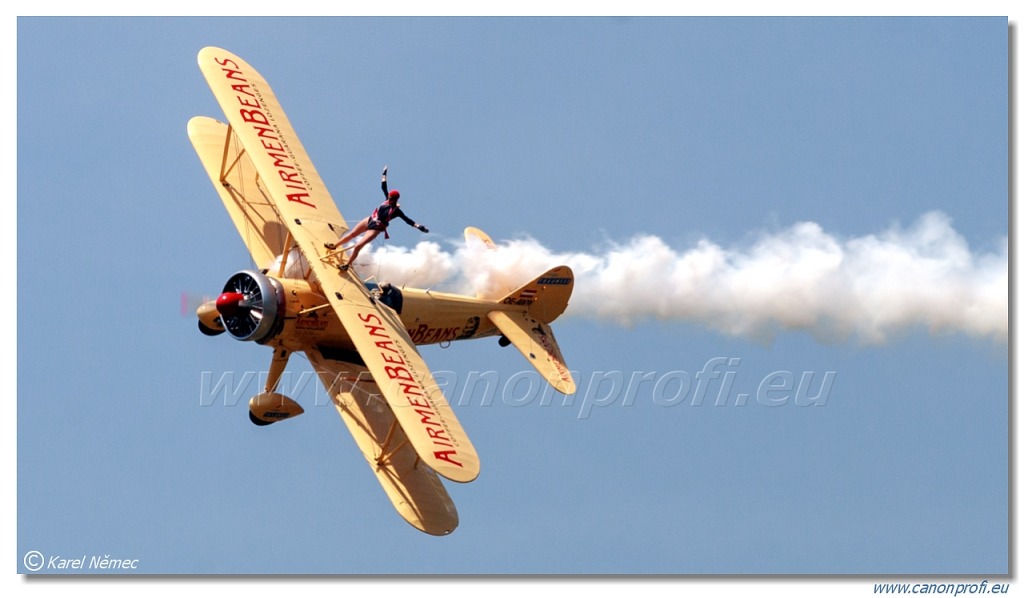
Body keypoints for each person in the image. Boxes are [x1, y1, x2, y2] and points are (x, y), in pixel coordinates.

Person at [325, 166, 429, 271]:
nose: (389, 199)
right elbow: (383, 187)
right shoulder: (386, 199)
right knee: (352, 234)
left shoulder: (396, 211)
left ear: (395, 199)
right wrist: (384, 174)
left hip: (376, 228)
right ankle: (334, 246)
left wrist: (419, 227)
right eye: (389, 197)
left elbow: (408, 220)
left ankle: (347, 265)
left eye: (391, 199)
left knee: (358, 246)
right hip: (370, 219)